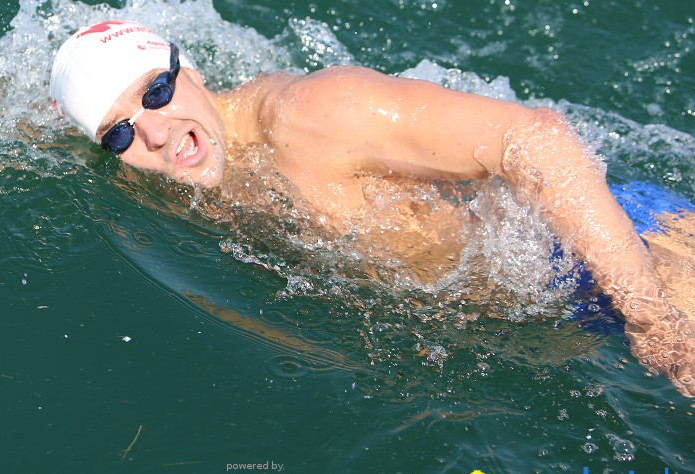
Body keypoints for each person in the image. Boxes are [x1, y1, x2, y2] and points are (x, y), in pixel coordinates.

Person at [50, 20, 695, 396]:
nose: (156, 133)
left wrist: (652, 316)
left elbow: (538, 140)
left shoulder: (313, 115)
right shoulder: (177, 169)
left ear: (185, 67)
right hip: (551, 315)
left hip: (622, 251)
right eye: (120, 133)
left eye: (157, 91)